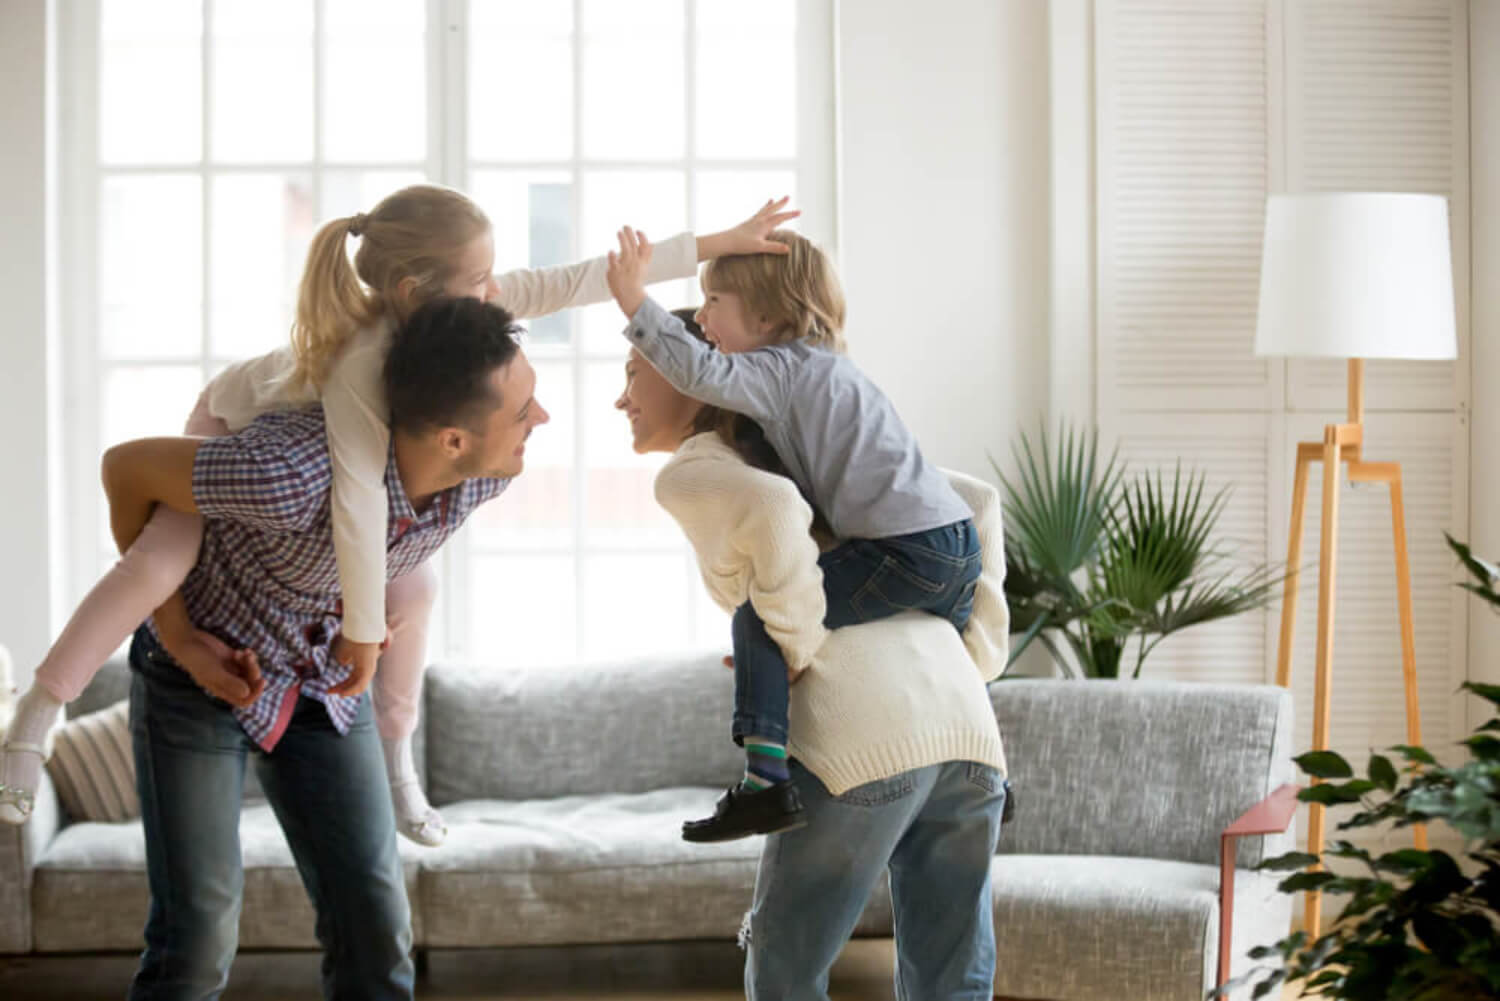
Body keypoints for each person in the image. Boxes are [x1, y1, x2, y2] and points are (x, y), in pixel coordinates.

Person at [0, 188, 797, 846]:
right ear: (415, 291)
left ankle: (397, 768)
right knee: (159, 564)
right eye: (477, 276)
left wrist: (719, 241)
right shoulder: (362, 361)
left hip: (321, 481)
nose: (492, 289)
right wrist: (359, 631)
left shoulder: (462, 308)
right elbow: (355, 498)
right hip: (225, 425)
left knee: (416, 590)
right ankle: (37, 713)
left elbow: (578, 279)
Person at [99, 296, 540, 999]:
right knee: (198, 939)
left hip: (320, 679)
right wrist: (179, 637)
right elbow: (124, 469)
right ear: (453, 439)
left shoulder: (480, 477)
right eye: (522, 411)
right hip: (196, 674)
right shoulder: (284, 475)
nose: (540, 419)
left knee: (375, 925)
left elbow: (380, 547)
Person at [614, 310, 1010, 1000]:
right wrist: (976, 653)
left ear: (689, 371)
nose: (621, 399)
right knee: (953, 983)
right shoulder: (810, 448)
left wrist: (793, 637)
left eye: (633, 373)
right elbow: (975, 500)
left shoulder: (696, 467)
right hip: (968, 730)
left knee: (785, 973)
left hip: (859, 741)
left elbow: (772, 510)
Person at [606, 229, 982, 841]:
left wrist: (633, 302)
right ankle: (992, 783)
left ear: (768, 317)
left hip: (903, 549)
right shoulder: (834, 367)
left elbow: (698, 371)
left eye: (714, 303)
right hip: (957, 543)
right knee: (947, 656)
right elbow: (978, 497)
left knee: (760, 616)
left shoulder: (776, 371)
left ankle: (764, 782)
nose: (703, 321)